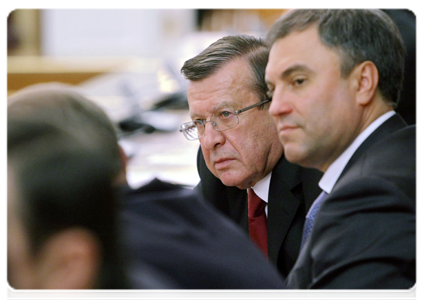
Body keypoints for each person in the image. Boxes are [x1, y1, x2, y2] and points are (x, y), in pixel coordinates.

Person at [6, 85, 300, 300]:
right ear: (123, 158)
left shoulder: (117, 256)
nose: (210, 140)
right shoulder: (180, 212)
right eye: (199, 123)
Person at [265, 8, 419, 299]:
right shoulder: (404, 151)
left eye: (298, 81)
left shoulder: (370, 199)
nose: (276, 107)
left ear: (363, 83)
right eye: (272, 90)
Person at [180, 34, 322, 277]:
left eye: (225, 114)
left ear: (274, 107)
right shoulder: (217, 173)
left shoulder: (317, 176)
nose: (210, 140)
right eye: (200, 122)